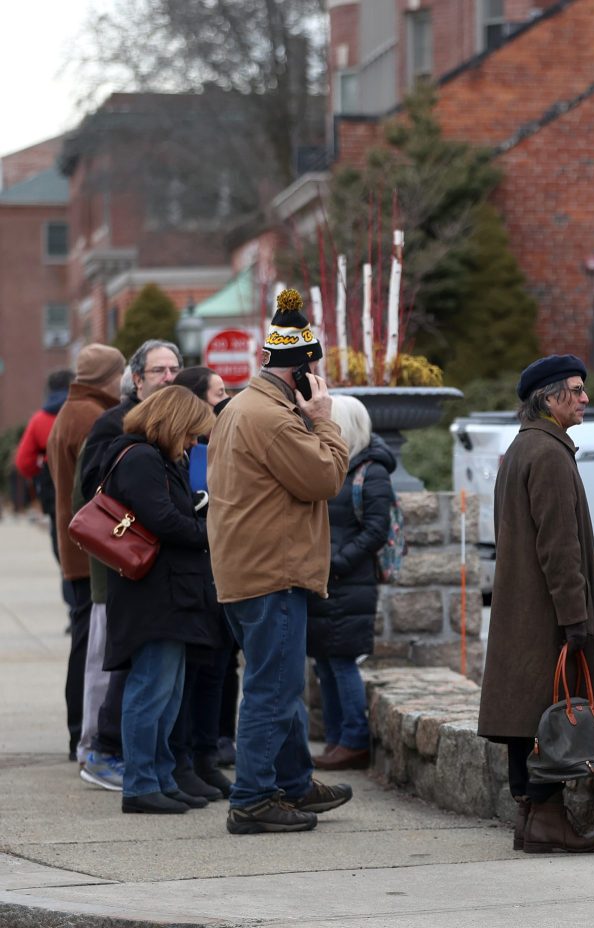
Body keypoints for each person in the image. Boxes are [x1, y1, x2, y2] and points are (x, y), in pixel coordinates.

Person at [207, 289, 352, 833]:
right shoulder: (275, 417)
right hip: (272, 574)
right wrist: (323, 420)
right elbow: (326, 477)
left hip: (249, 571)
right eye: (316, 370)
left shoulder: (244, 406)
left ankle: (291, 783)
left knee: (281, 682)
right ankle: (252, 799)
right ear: (304, 371)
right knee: (272, 688)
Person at [478, 354, 594, 854]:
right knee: (551, 712)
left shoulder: (523, 448)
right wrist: (576, 618)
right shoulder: (550, 454)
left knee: (529, 714)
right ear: (550, 397)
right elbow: (560, 547)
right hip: (547, 616)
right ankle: (547, 820)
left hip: (523, 611)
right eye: (575, 390)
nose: (584, 398)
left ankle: (531, 818)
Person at [99, 386, 225, 812]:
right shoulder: (141, 458)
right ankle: (139, 785)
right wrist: (209, 533)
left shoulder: (155, 458)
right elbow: (164, 520)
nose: (192, 443)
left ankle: (160, 775)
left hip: (167, 591)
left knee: (167, 691)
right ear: (173, 424)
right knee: (151, 688)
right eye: (190, 434)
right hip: (153, 594)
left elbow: (170, 514)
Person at [74, 340, 185, 792]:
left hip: (162, 566)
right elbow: (95, 488)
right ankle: (101, 749)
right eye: (159, 370)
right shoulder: (115, 425)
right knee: (116, 665)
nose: (169, 378)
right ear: (136, 380)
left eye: (175, 369)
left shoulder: (171, 425)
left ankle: (141, 761)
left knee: (153, 674)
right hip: (123, 562)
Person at [306, 395, 396, 771]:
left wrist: (337, 563)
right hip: (325, 577)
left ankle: (354, 740)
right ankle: (336, 739)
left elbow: (377, 529)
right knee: (324, 663)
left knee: (341, 662)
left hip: (347, 580)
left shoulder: (370, 472)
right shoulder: (332, 465)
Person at [46, 344, 126, 763]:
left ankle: (79, 730)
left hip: (73, 546)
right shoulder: (92, 415)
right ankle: (83, 732)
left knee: (83, 643)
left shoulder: (71, 410)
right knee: (89, 646)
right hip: (86, 552)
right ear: (109, 377)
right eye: (121, 371)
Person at [170, 365, 235, 799]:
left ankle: (208, 756)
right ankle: (185, 761)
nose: (226, 399)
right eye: (218, 392)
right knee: (193, 671)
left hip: (226, 569)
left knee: (220, 668)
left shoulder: (223, 443)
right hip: (195, 572)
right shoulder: (182, 452)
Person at [13, 369, 74, 563]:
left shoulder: (39, 419)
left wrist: (40, 471)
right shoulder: (84, 411)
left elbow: (24, 461)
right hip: (84, 485)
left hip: (52, 488)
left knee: (62, 550)